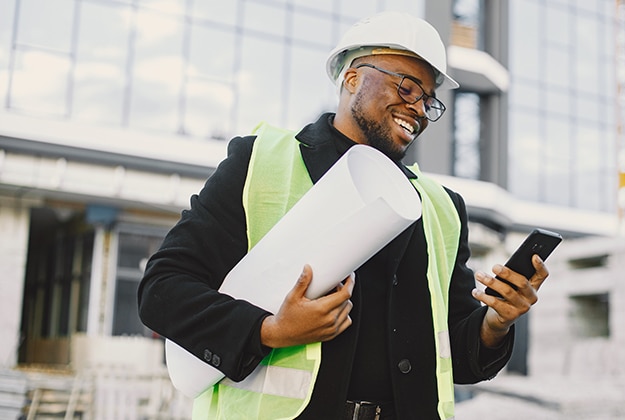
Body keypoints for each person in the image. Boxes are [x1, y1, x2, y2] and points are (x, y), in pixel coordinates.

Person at [138, 11, 549, 420]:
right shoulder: (261, 162)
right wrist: (270, 330)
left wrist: (496, 322)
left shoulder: (441, 207)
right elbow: (163, 289)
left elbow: (457, 357)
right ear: (352, 78)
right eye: (407, 87)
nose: (419, 109)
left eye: (428, 99)